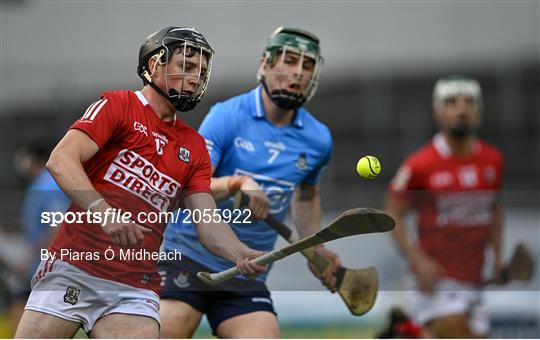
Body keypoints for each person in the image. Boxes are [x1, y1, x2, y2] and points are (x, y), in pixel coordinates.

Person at [14, 26, 266, 338]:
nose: (194, 78)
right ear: (153, 65)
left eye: (199, 72)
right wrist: (105, 213)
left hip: (134, 286)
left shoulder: (195, 147)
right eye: (185, 67)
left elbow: (208, 223)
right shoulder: (119, 105)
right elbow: (61, 160)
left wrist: (239, 252)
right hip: (75, 267)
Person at [159, 26, 341, 338]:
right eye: (289, 60)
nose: (298, 72)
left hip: (249, 267)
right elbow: (188, 187)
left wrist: (315, 247)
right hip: (188, 256)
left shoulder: (318, 139)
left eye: (307, 65)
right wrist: (235, 183)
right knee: (166, 330)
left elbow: (307, 196)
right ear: (266, 64)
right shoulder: (227, 116)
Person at [386, 75, 504, 338]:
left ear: (478, 109)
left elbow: (494, 209)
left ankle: (410, 333)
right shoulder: (419, 165)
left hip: (475, 278)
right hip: (436, 281)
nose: (462, 109)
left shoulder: (493, 160)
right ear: (438, 112)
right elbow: (392, 213)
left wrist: (497, 257)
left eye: (469, 102)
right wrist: (417, 258)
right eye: (452, 102)